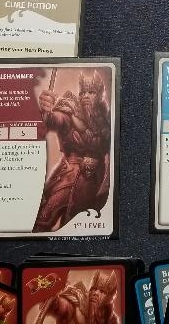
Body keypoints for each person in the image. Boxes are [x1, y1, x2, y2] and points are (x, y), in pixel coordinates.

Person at [33, 69, 112, 232]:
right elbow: (56, 119)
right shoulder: (70, 109)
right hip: (70, 172)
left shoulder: (105, 117)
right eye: (83, 92)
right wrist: (47, 111)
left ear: (99, 95)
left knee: (83, 222)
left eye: (91, 92)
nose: (86, 96)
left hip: (97, 177)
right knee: (45, 217)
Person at [34, 270, 120, 324]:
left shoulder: (111, 318)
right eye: (94, 289)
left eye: (102, 291)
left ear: (109, 298)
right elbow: (61, 304)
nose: (95, 293)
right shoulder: (76, 301)